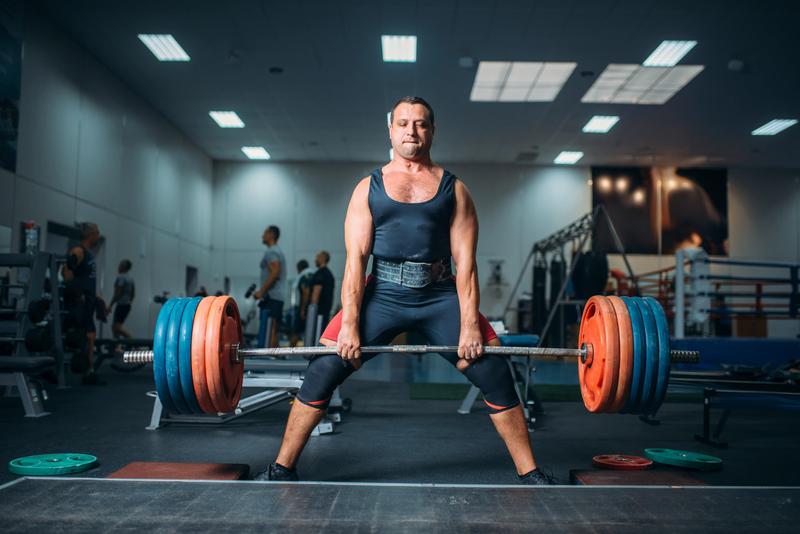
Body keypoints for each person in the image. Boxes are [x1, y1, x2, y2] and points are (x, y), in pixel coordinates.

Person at [255, 96, 553, 485]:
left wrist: (468, 326)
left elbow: (466, 265)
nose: (411, 130)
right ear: (390, 129)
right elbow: (356, 261)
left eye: (421, 123)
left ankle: (530, 472)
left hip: (439, 295)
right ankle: (281, 468)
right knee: (323, 369)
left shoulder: (455, 189)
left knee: (494, 371)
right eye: (403, 123)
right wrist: (350, 325)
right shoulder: (368, 187)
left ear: (432, 130)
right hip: (382, 294)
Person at [62, 222, 104, 385]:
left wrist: (98, 298)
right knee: (88, 336)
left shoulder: (88, 254)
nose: (98, 236)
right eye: (97, 232)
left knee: (90, 336)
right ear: (90, 234)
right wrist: (76, 294)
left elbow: (88, 280)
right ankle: (88, 372)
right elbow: (66, 272)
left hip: (89, 302)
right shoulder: (78, 251)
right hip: (79, 303)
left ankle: (89, 371)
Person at [253, 225, 286, 348]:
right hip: (275, 297)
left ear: (271, 234)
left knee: (270, 330)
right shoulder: (276, 251)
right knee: (272, 330)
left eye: (265, 232)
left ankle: (270, 362)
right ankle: (274, 361)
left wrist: (261, 292)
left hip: (272, 297)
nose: (262, 235)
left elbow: (275, 272)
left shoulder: (272, 251)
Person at [290, 259, 316, 346]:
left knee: (296, 331)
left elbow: (305, 292)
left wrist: (303, 309)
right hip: (312, 308)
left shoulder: (304, 276)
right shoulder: (313, 274)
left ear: (299, 268)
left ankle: (289, 351)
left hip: (303, 308)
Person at [107, 259, 134, 339]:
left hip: (122, 305)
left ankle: (133, 343)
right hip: (127, 305)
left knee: (116, 328)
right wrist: (128, 302)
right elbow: (133, 294)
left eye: (120, 265)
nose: (118, 267)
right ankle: (117, 347)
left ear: (123, 267)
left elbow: (118, 293)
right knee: (114, 327)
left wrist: (110, 305)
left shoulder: (121, 277)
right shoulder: (130, 278)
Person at [307, 251, 335, 328]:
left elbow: (316, 294)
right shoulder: (329, 274)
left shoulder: (320, 274)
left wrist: (312, 311)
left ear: (323, 259)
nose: (315, 260)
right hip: (326, 311)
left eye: (317, 257)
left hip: (317, 312)